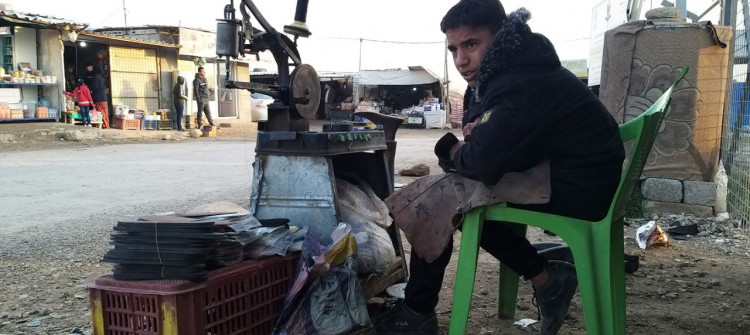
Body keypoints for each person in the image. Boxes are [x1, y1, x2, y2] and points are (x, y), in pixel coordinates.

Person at [373, 1, 625, 335]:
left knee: (445, 196)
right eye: (453, 49)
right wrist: (476, 139)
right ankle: (544, 275)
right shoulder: (515, 68)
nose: (461, 60)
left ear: (501, 36)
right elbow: (477, 127)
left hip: (580, 188)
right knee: (459, 195)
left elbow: (482, 162)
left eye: (471, 44)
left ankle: (417, 311)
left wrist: (450, 147)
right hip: (577, 176)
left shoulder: (521, 80)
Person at [84, 62, 109, 129]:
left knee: (100, 112)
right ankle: (105, 125)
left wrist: (88, 87)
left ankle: (103, 125)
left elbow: (95, 86)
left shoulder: (96, 77)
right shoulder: (101, 76)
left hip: (99, 97)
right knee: (104, 111)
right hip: (103, 97)